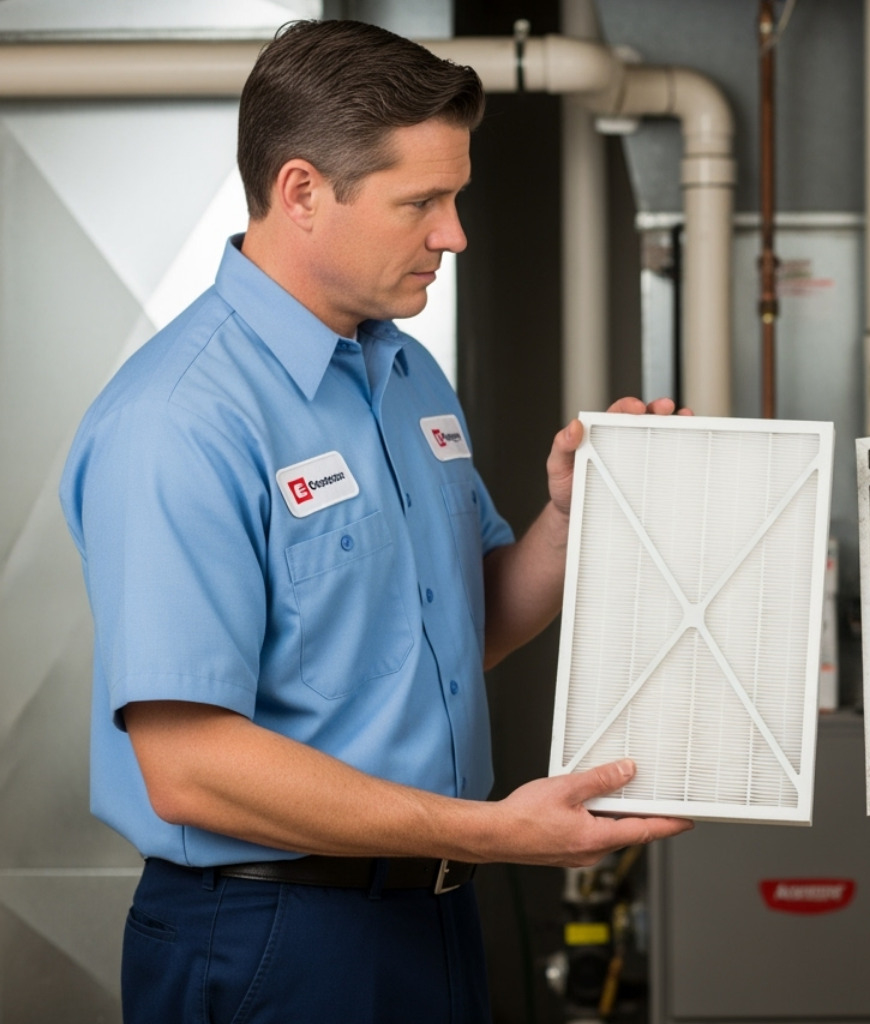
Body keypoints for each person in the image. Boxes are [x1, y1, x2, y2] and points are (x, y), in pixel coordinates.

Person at [58, 19, 690, 1024]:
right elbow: (187, 767)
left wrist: (574, 523)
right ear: (303, 191)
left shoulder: (403, 371)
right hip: (270, 935)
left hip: (430, 919)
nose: (454, 235)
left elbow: (453, 634)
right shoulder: (179, 419)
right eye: (421, 203)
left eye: (455, 198)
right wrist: (490, 831)